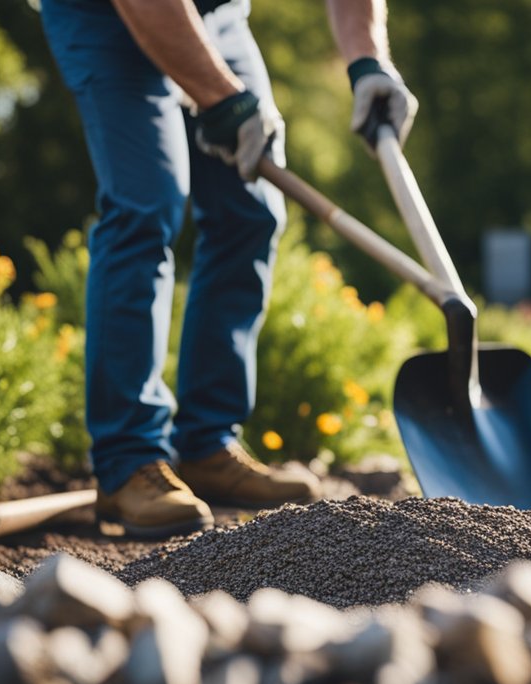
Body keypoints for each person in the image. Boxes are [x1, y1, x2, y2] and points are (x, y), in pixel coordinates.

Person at [38, 0, 418, 537]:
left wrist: (368, 61)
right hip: (107, 13)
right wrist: (222, 99)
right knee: (146, 205)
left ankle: (206, 445)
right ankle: (127, 462)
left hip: (217, 14)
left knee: (251, 212)